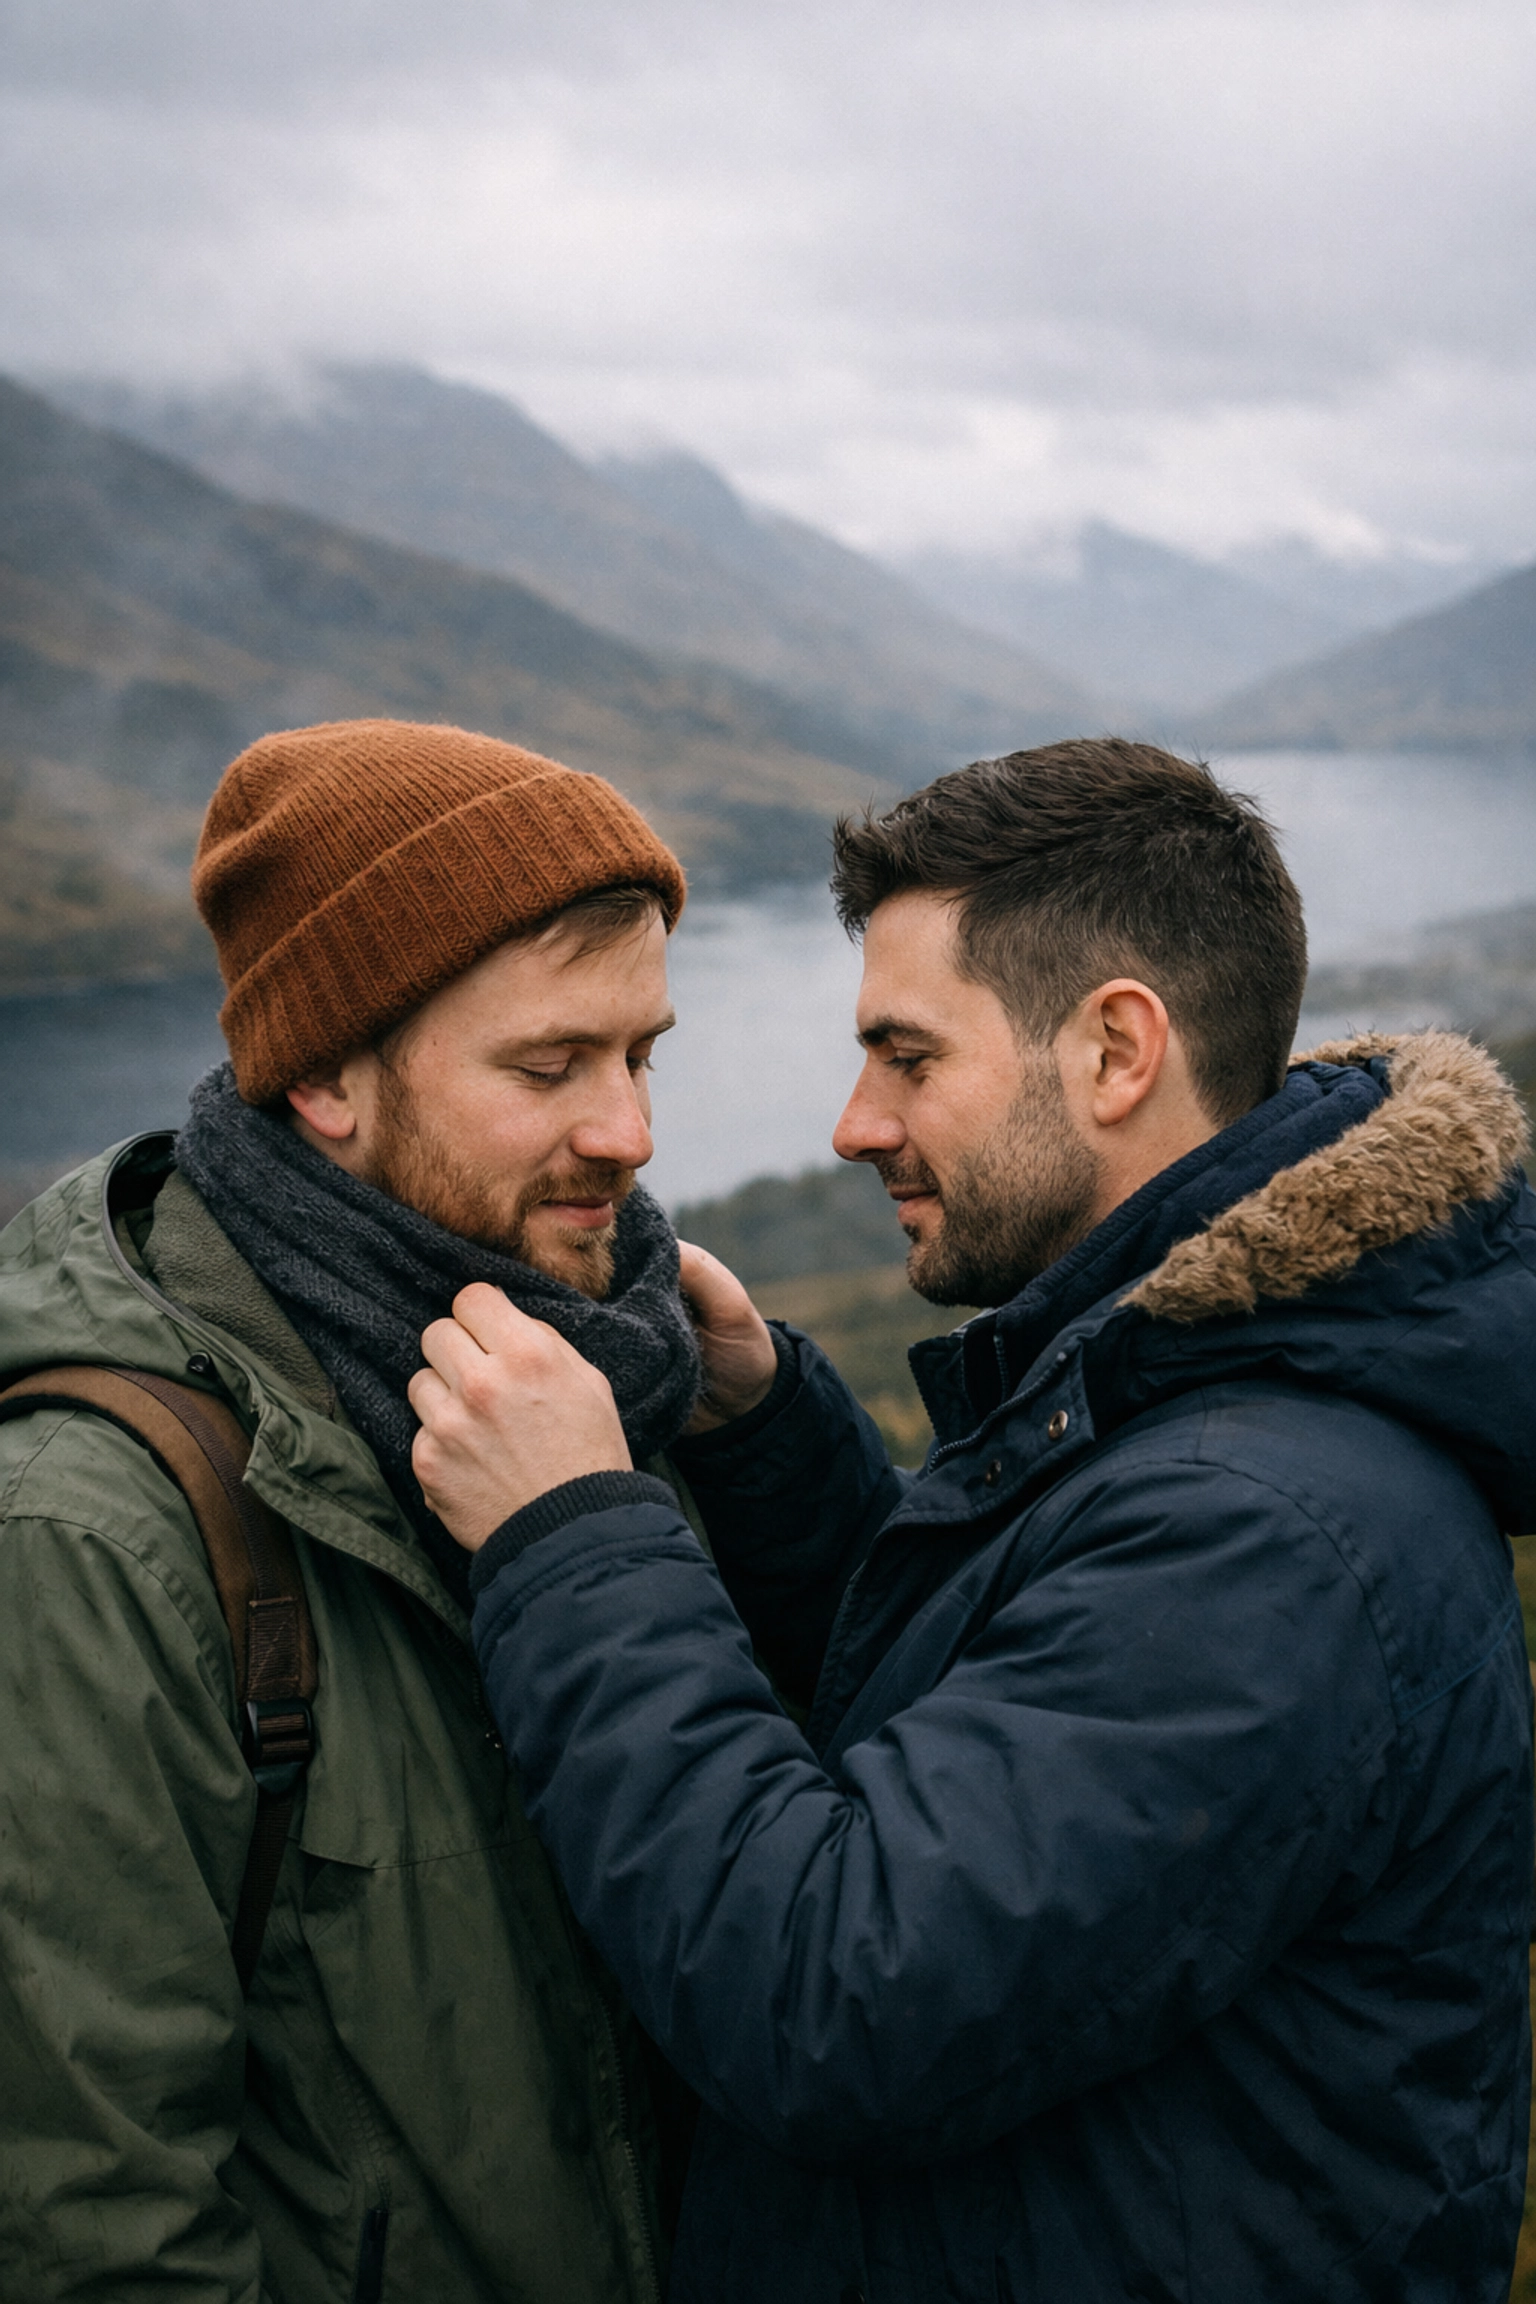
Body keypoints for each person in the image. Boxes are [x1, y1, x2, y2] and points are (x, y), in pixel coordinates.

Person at [414, 739, 1536, 2303]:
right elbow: (989, 1736)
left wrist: (575, 1532)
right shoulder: (1200, 1396)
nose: (854, 1124)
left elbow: (835, 1995)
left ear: (1116, 1052)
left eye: (909, 1056)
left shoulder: (1267, 1534)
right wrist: (770, 1430)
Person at [0, 718, 704, 2302]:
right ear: (320, 1071)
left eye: (641, 1053)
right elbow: (97, 2225)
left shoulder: (596, 1381)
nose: (631, 1136)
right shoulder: (95, 1536)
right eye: (551, 1066)